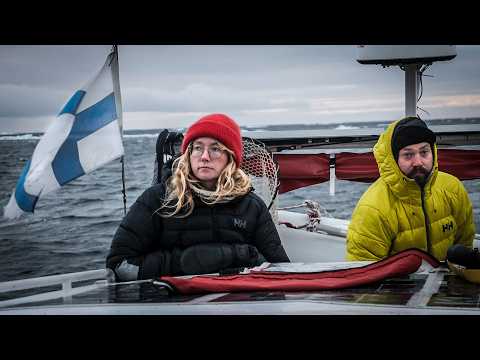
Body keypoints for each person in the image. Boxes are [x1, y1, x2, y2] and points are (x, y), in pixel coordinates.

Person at [106, 113, 290, 281]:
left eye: (215, 149)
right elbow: (119, 265)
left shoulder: (252, 206)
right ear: (188, 154)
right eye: (197, 148)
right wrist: (192, 262)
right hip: (170, 302)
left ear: (230, 157)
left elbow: (281, 269)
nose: (204, 157)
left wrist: (249, 258)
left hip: (236, 303)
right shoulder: (157, 199)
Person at [346, 116, 476, 262]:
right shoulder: (373, 209)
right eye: (408, 155)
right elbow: (363, 270)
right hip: (395, 284)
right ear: (394, 160)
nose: (418, 162)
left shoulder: (453, 188)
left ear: (433, 152)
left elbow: (464, 245)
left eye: (424, 152)